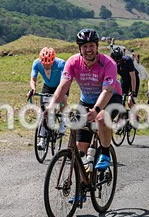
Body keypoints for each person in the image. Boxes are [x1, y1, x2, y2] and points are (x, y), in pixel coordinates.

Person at [46, 29, 123, 176]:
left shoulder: (109, 63)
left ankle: (105, 152)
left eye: (91, 46)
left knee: (101, 118)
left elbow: (107, 91)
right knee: (80, 149)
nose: (88, 50)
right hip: (86, 101)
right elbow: (63, 86)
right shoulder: (73, 62)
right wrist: (51, 106)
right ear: (79, 48)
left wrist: (96, 109)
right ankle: (81, 189)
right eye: (85, 46)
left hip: (111, 98)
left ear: (97, 46)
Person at [27, 47, 65, 150]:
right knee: (44, 111)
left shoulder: (61, 63)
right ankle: (42, 140)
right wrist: (33, 89)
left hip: (60, 85)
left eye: (49, 64)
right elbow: (33, 78)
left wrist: (59, 95)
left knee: (62, 99)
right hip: (47, 86)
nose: (47, 66)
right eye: (44, 64)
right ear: (40, 61)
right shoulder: (36, 63)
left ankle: (62, 121)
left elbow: (64, 82)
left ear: (53, 60)